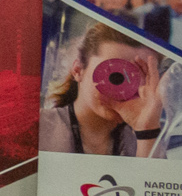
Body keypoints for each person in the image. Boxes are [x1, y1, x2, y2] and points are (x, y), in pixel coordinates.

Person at [39, 22, 170, 156]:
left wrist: (147, 132)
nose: (122, 92)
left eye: (139, 78)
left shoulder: (145, 139)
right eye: (115, 76)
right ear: (78, 70)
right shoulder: (37, 127)